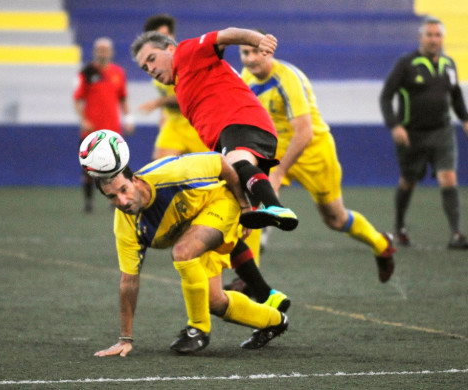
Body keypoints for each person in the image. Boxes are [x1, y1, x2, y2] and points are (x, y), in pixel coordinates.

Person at [91, 151, 288, 356]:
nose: (122, 201)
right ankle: (275, 321)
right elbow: (128, 281)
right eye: (112, 197)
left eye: (124, 189)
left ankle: (198, 329)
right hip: (195, 233)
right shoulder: (125, 226)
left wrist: (245, 206)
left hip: (220, 203)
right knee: (213, 301)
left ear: (135, 180)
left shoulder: (170, 173)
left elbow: (220, 163)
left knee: (183, 251)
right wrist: (125, 338)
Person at [235, 38, 396, 284]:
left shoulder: (287, 80)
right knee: (254, 205)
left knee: (335, 218)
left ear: (268, 51)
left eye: (256, 51)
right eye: (245, 52)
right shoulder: (246, 77)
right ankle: (250, 279)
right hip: (274, 152)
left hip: (312, 151)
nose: (251, 58)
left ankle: (381, 244)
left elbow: (304, 133)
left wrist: (278, 174)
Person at [129, 28, 298, 232]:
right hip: (244, 130)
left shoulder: (185, 52)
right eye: (145, 67)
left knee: (235, 164)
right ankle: (255, 211)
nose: (151, 68)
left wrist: (259, 40)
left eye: (152, 58)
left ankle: (276, 208)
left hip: (240, 120)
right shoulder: (182, 82)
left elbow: (226, 35)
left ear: (170, 48)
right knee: (233, 187)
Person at [380, 16, 468, 249]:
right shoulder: (406, 64)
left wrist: (465, 118)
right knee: (408, 181)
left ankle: (456, 234)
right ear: (421, 38)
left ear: (442, 38)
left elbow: (456, 95)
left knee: (448, 177)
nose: (433, 39)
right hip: (412, 135)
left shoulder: (449, 65)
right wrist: (395, 125)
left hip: (442, 131)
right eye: (429, 35)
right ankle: (399, 227)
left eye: (437, 35)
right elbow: (386, 96)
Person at [73, 37, 135, 213]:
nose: (103, 53)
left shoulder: (118, 73)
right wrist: (83, 119)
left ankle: (116, 201)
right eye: (100, 50)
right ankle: (88, 202)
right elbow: (77, 99)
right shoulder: (86, 72)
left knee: (117, 168)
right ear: (95, 52)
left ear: (111, 52)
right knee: (89, 169)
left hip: (113, 130)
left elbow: (122, 98)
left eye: (105, 50)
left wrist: (128, 117)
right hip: (91, 132)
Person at [138, 14, 209, 160]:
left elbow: (188, 96)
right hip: (174, 126)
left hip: (196, 126)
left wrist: (158, 103)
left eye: (167, 34)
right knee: (158, 172)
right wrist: (163, 116)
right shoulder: (154, 63)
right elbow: (165, 93)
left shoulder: (185, 59)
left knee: (214, 175)